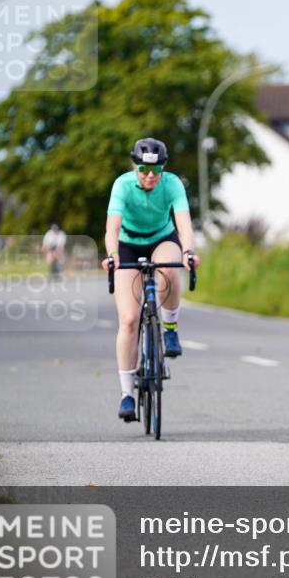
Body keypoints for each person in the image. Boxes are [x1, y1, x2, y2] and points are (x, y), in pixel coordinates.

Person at [100, 138, 201, 421]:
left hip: (161, 238)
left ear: (163, 169)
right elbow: (112, 227)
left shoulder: (172, 184)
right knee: (129, 320)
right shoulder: (121, 185)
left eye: (156, 170)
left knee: (170, 267)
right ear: (134, 166)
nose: (149, 176)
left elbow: (183, 224)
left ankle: (169, 328)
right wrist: (112, 254)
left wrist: (189, 251)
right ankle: (127, 395)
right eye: (143, 170)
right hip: (127, 243)